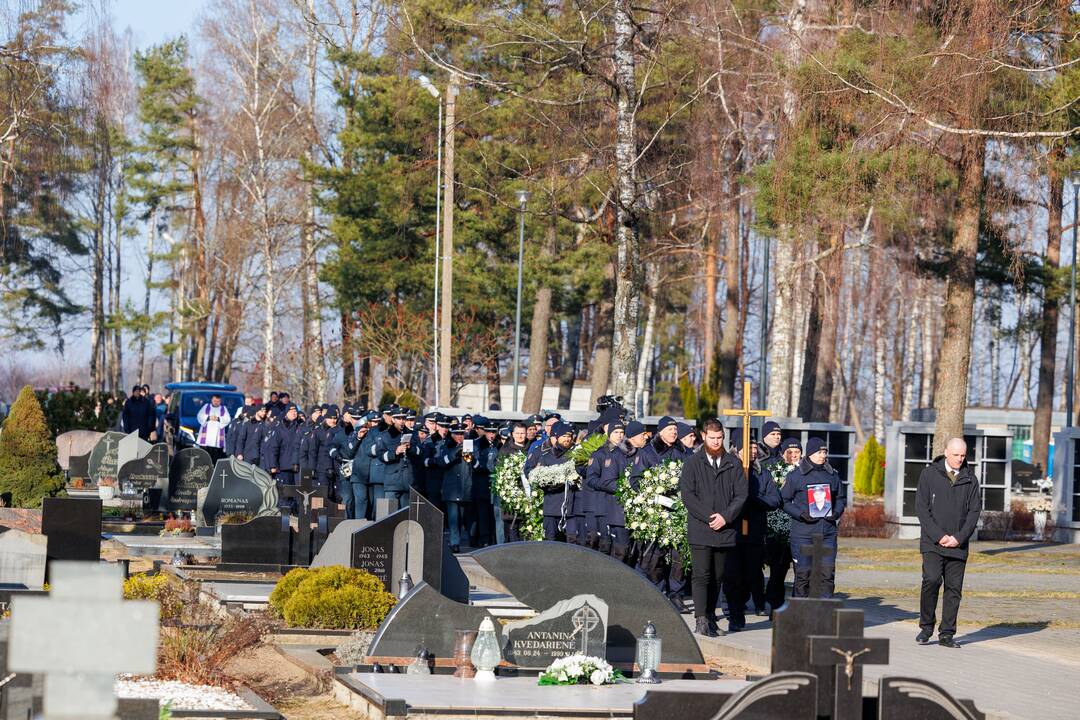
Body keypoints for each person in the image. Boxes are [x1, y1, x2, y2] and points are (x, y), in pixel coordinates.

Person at [680, 419, 748, 637]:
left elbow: (741, 495)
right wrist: (710, 517)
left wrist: (725, 517)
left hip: (724, 530)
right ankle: (700, 618)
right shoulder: (693, 463)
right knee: (701, 575)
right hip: (701, 528)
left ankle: (710, 615)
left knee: (718, 576)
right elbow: (688, 496)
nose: (716, 442)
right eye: (712, 438)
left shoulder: (732, 463)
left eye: (719, 438)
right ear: (704, 436)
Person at [915, 437, 981, 649]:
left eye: (963, 455)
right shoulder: (929, 474)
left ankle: (947, 634)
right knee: (932, 580)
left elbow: (974, 513)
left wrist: (959, 538)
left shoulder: (971, 479)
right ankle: (926, 627)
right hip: (933, 542)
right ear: (946, 452)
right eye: (956, 455)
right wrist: (938, 535)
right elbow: (921, 509)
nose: (960, 459)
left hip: (958, 544)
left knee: (954, 589)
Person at [724, 434, 780, 631]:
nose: (753, 452)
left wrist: (755, 500)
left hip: (754, 532)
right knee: (733, 576)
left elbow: (774, 499)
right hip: (732, 532)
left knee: (751, 575)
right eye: (748, 448)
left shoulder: (762, 472)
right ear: (738, 450)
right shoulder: (728, 469)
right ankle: (734, 615)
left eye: (755, 448)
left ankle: (745, 606)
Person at [781, 436, 845, 598]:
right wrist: (801, 514)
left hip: (827, 533)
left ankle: (825, 613)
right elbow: (784, 501)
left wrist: (836, 513)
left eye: (825, 452)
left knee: (827, 574)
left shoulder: (832, 475)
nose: (823, 455)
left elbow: (840, 498)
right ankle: (799, 614)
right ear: (809, 454)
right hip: (803, 533)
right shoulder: (796, 476)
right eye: (819, 452)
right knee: (803, 575)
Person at [586, 420, 640, 563]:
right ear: (608, 434)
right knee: (606, 544)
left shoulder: (629, 452)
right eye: (616, 432)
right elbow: (590, 479)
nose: (619, 435)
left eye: (622, 432)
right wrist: (606, 484)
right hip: (603, 504)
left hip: (621, 506)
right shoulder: (599, 454)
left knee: (624, 547)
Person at [764, 437, 801, 614]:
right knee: (779, 569)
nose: (794, 455)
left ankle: (796, 605)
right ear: (783, 453)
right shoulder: (776, 471)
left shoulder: (805, 471)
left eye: (797, 452)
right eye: (790, 452)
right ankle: (773, 603)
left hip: (799, 527)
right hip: (778, 528)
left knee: (800, 571)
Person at [525, 421, 577, 541]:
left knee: (572, 541)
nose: (567, 439)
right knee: (550, 541)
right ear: (556, 437)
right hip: (551, 507)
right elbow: (540, 481)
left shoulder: (576, 455)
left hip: (571, 509)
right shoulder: (546, 456)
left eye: (569, 436)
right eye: (564, 436)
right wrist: (560, 481)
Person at [436, 423, 473, 552]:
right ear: (452, 435)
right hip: (451, 488)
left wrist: (469, 455)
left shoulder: (470, 445)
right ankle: (454, 542)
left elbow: (473, 465)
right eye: (457, 434)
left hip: (464, 487)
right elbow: (441, 462)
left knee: (461, 517)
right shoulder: (446, 446)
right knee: (452, 517)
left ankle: (457, 539)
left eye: (461, 434)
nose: (459, 436)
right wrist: (454, 453)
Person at [496, 422, 529, 543]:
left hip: (528, 496)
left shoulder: (531, 448)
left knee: (525, 529)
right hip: (511, 497)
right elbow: (499, 472)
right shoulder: (505, 450)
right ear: (512, 434)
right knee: (511, 531)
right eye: (518, 433)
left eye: (523, 433)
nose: (520, 436)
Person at [266, 404, 303, 485]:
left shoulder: (300, 426)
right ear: (286, 413)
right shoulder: (280, 428)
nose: (294, 413)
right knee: (284, 494)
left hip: (298, 467)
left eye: (295, 411)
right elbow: (273, 448)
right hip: (284, 467)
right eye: (291, 411)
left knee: (297, 494)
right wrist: (273, 465)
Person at [195, 394, 231, 462]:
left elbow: (227, 419)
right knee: (205, 456)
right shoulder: (206, 406)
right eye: (214, 401)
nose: (216, 402)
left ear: (220, 401)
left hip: (217, 438)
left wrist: (218, 419)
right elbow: (199, 416)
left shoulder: (223, 408)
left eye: (218, 401)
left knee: (215, 457)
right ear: (212, 400)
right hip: (206, 438)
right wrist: (208, 417)